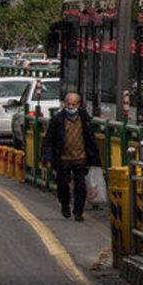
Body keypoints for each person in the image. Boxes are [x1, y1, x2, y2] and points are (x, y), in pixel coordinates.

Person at [41, 93, 100, 221]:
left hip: (80, 158)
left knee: (80, 186)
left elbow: (91, 139)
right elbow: (49, 140)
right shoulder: (57, 119)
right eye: (68, 104)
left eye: (73, 104)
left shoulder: (85, 119)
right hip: (63, 159)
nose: (71, 107)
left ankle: (78, 212)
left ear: (78, 105)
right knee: (62, 185)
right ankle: (65, 205)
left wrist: (95, 158)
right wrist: (48, 158)